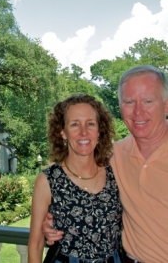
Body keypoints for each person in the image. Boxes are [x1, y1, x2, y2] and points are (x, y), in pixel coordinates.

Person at [43, 65, 168, 263]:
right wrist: (50, 220)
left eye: (148, 101)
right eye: (129, 101)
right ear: (120, 106)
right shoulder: (113, 155)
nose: (138, 111)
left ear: (166, 105)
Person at [28, 94, 122, 263]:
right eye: (74, 124)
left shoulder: (116, 171)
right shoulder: (48, 181)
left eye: (90, 124)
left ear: (100, 130)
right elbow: (35, 245)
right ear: (63, 132)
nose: (83, 132)